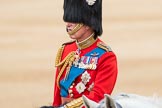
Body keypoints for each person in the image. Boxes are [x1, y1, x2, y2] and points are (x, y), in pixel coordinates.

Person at [41, 0, 118, 107]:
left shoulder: (106, 56)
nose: (68, 25)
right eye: (68, 20)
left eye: (74, 21)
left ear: (87, 23)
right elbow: (58, 93)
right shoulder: (65, 50)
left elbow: (98, 97)